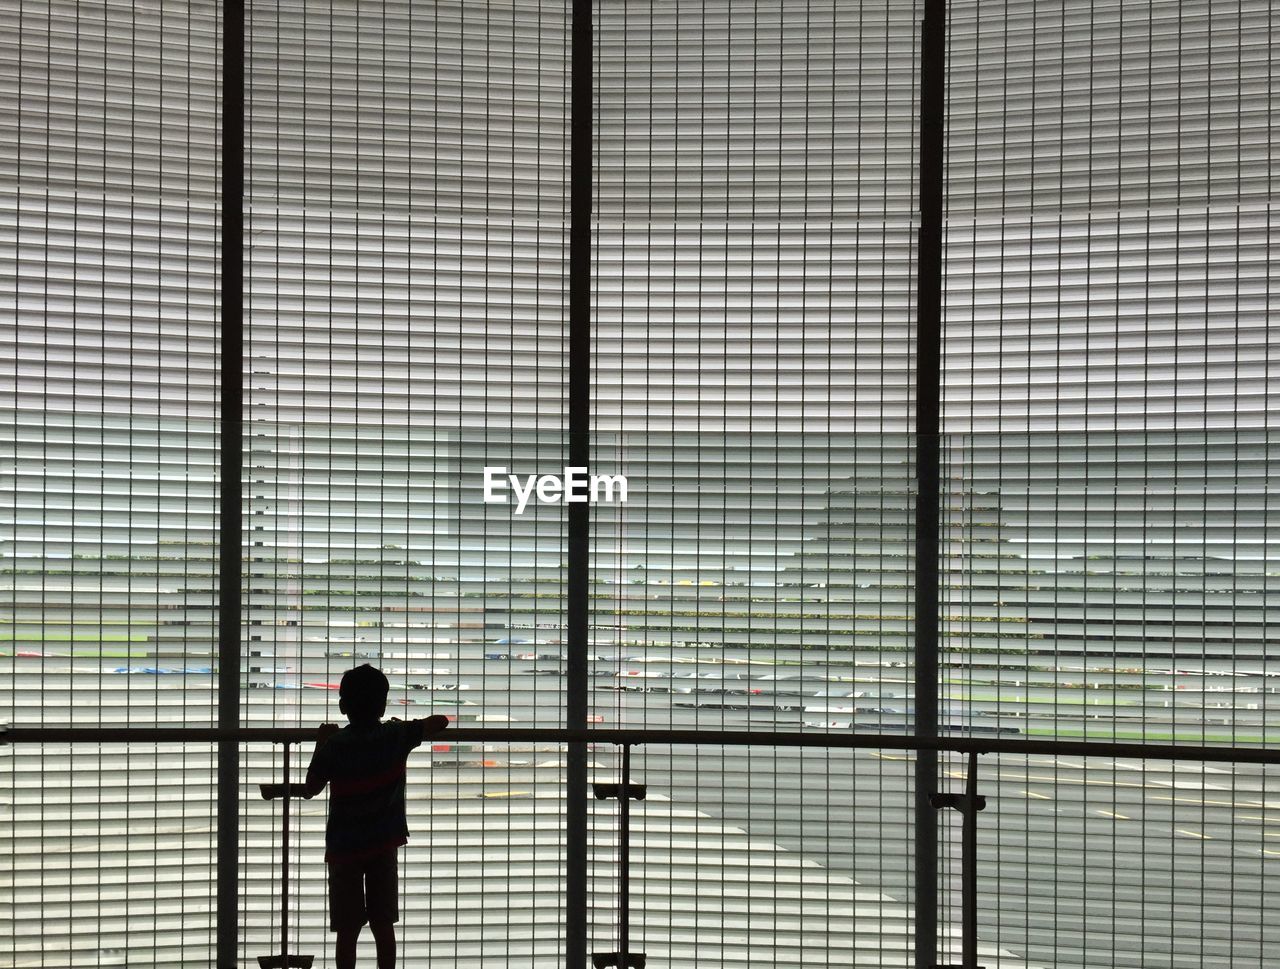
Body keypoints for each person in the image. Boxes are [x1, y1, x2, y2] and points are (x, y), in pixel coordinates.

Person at [305, 663, 449, 969]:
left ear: (343, 706)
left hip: (344, 848)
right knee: (383, 925)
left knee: (347, 929)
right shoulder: (396, 735)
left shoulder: (335, 744)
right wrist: (405, 723)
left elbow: (311, 788)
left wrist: (321, 739)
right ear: (383, 705)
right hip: (383, 845)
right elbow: (441, 721)